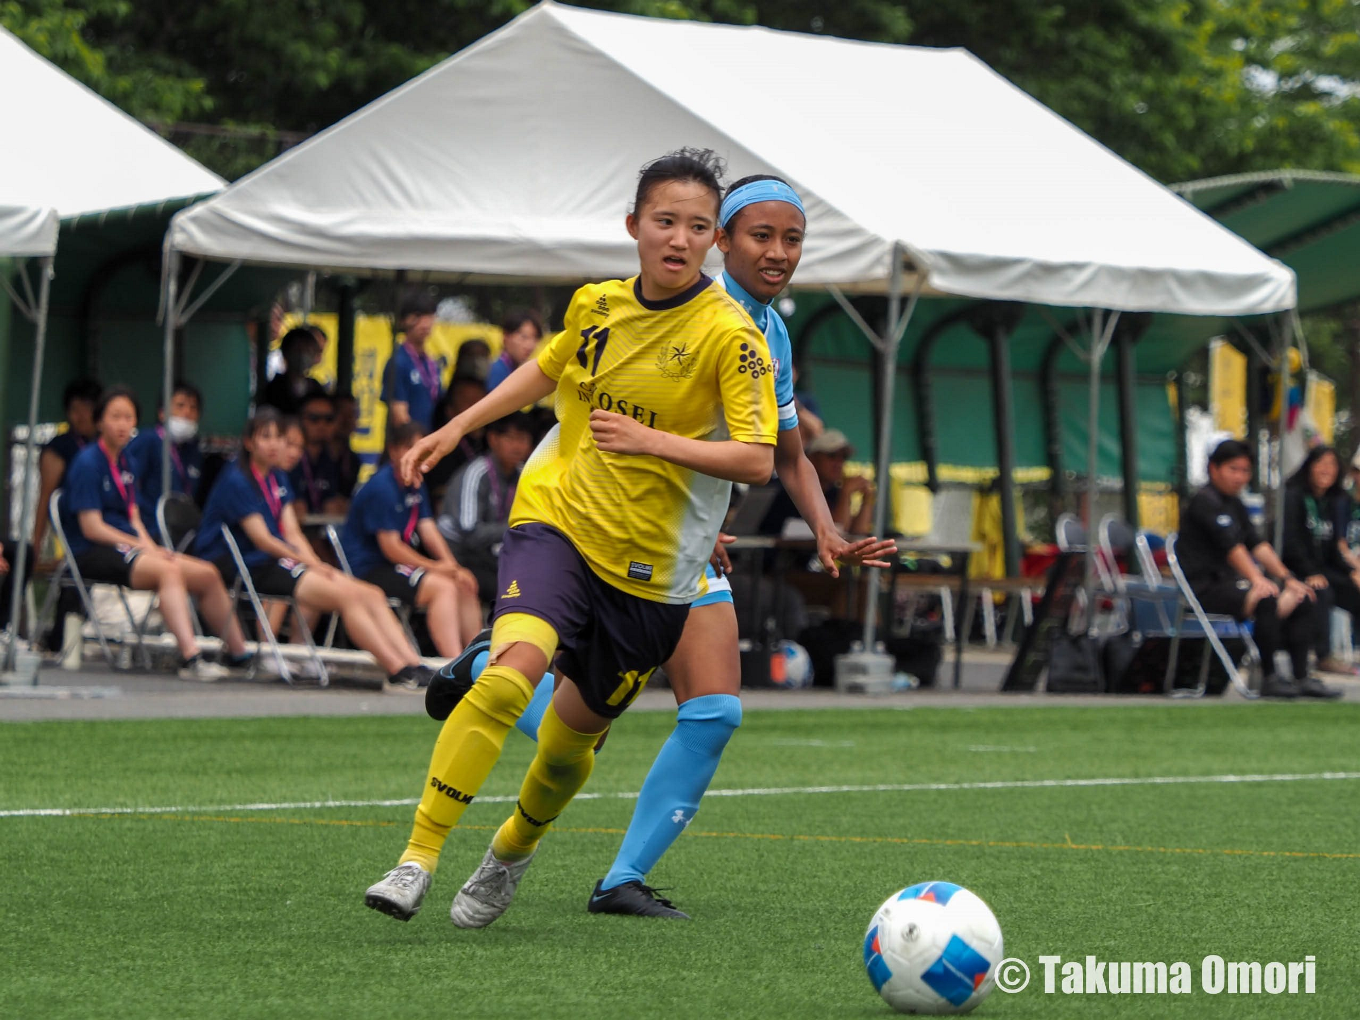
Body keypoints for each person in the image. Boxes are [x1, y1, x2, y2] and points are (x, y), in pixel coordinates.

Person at [422, 173, 896, 920]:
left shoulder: (766, 333)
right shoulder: (671, 305)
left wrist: (828, 530)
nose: (777, 253)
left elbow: (788, 452)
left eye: (792, 239)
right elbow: (582, 399)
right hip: (611, 532)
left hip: (682, 546)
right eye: (760, 236)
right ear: (723, 239)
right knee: (586, 729)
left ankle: (619, 877)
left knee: (710, 713)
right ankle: (495, 670)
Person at [363, 147, 780, 928]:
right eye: (665, 221)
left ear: (715, 241)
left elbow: (757, 460)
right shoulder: (596, 304)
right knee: (513, 673)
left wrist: (660, 444)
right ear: (633, 226)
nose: (679, 238)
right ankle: (416, 858)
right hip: (557, 521)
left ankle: (509, 854)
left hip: (654, 574)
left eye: (697, 226)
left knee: (568, 743)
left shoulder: (734, 337)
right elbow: (548, 372)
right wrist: (454, 428)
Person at [195, 408, 433, 689]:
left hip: (276, 561)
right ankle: (395, 671)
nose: (275, 444)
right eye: (266, 437)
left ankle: (412, 663)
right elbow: (263, 540)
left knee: (371, 593)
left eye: (279, 437)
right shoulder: (237, 479)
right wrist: (307, 564)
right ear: (249, 443)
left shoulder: (277, 477)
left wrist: (315, 562)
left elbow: (291, 531)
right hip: (248, 564)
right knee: (348, 598)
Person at [59, 386, 253, 681]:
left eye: (129, 417)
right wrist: (139, 546)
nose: (123, 424)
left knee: (207, 574)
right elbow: (92, 527)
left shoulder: (125, 461)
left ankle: (240, 656)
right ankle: (191, 658)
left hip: (128, 547)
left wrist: (151, 546)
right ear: (100, 422)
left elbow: (134, 515)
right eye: (116, 417)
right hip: (91, 550)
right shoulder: (87, 463)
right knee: (168, 572)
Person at [1177, 439, 1338, 699]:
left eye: (1245, 471)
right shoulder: (1203, 502)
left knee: (1303, 596)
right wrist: (1258, 579)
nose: (1240, 477)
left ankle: (1301, 676)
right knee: (1266, 598)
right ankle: (1270, 676)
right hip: (1205, 589)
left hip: (1234, 586)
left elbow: (1257, 544)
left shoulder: (1235, 504)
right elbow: (1233, 548)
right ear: (1213, 469)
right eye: (1233, 469)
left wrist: (1288, 579)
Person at [341, 423, 482, 659]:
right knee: (442, 587)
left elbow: (427, 529)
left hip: (396, 564)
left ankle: (475, 661)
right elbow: (391, 548)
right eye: (409, 447)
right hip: (370, 568)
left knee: (464, 582)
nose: (417, 453)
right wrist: (437, 568)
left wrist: (453, 567)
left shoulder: (414, 479)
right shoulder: (382, 486)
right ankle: (453, 662)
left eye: (421, 447)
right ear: (394, 450)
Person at [438, 412, 534, 599]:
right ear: (493, 439)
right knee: (512, 589)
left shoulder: (526, 474)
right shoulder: (477, 472)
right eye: (511, 438)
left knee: (534, 578)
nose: (517, 446)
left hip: (492, 553)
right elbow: (470, 533)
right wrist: (514, 529)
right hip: (458, 554)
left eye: (523, 439)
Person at [1282, 445, 1360, 675]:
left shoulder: (1333, 501)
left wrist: (1350, 572)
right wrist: (1308, 572)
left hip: (1325, 568)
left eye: (1332, 464)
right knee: (1323, 592)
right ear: (1309, 467)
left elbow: (1335, 548)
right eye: (1321, 463)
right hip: (1294, 569)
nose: (1327, 469)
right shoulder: (1293, 496)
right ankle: (1323, 656)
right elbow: (1290, 543)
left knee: (1354, 590)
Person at [32, 378, 102, 564]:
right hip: (77, 524)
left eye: (86, 408)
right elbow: (45, 498)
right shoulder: (59, 447)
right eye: (74, 409)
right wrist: (35, 548)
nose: (80, 416)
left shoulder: (106, 445)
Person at [758, 428, 874, 537]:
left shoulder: (833, 492)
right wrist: (845, 494)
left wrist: (867, 500)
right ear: (811, 458)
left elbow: (858, 534)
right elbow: (835, 535)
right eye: (831, 456)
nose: (839, 463)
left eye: (843, 457)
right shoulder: (788, 489)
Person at [124, 381, 205, 535]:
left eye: (193, 408)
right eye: (180, 406)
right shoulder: (147, 441)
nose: (187, 412)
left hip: (182, 528)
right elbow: (129, 484)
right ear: (162, 412)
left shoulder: (193, 448)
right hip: (150, 528)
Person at [382, 291, 444, 431]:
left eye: (429, 316)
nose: (425, 323)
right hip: (408, 445)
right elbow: (399, 416)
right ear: (404, 320)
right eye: (417, 316)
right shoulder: (398, 362)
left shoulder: (433, 364)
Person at [425, 375, 487, 496]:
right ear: (450, 410)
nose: (475, 408)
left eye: (480, 401)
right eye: (468, 402)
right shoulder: (444, 448)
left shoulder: (492, 439)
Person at [290, 393, 347, 515]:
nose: (322, 425)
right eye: (314, 418)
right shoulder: (290, 457)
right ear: (300, 420)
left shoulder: (337, 458)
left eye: (328, 419)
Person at [261, 327, 327, 415]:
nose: (303, 356)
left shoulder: (317, 389)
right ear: (285, 352)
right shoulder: (273, 389)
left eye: (308, 351)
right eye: (297, 350)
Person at [485, 311, 543, 391]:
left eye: (535, 339)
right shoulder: (497, 371)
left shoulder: (511, 371)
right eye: (524, 337)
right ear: (506, 336)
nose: (530, 345)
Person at [331, 391, 361, 500]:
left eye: (352, 415)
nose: (347, 420)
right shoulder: (312, 455)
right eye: (342, 414)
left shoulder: (353, 460)